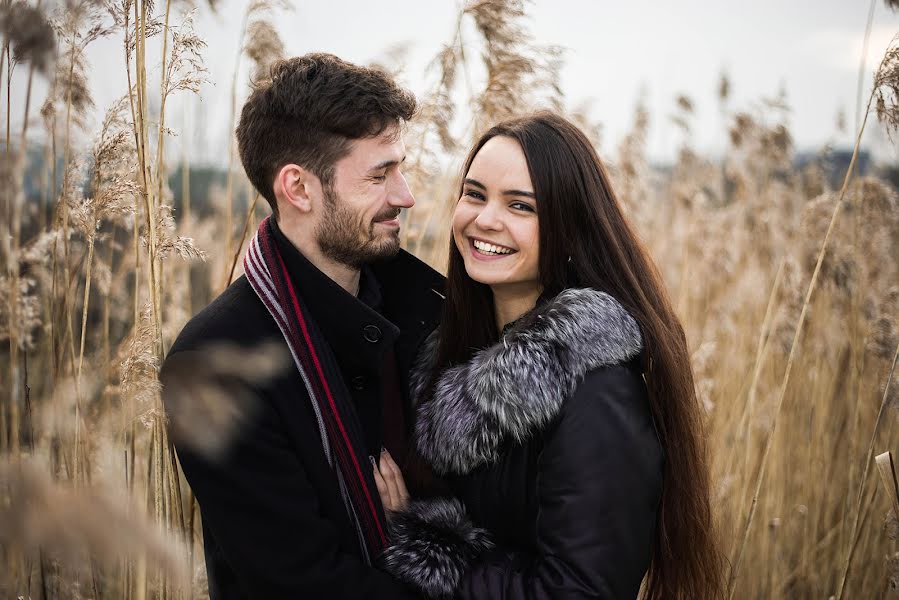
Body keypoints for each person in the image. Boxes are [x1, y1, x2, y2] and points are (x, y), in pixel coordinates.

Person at [378, 111, 725, 599]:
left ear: (569, 227)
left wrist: (428, 551)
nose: (485, 219)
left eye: (520, 206)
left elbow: (582, 591)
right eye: (474, 194)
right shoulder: (444, 353)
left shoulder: (597, 390)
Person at [160, 53, 444, 599]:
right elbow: (302, 582)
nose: (405, 195)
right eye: (379, 175)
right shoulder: (214, 363)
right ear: (299, 188)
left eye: (400, 169)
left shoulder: (429, 310)